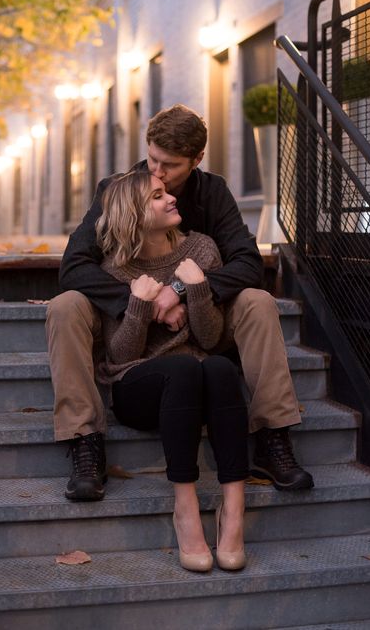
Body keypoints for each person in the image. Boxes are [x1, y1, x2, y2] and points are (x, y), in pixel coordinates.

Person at [46, 103, 314, 504]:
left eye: (169, 165)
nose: (156, 172)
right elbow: (74, 266)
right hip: (130, 317)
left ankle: (272, 437)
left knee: (258, 301)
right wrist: (143, 301)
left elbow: (247, 263)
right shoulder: (117, 189)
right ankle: (85, 441)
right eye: (152, 158)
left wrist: (182, 291)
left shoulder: (212, 193)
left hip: (203, 320)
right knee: (65, 305)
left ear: (196, 160)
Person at [92, 170, 248, 572]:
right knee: (181, 369)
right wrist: (140, 306)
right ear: (133, 215)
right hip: (137, 383)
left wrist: (196, 289)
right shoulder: (114, 269)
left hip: (195, 379)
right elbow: (121, 352)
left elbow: (211, 338)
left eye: (167, 192)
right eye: (157, 197)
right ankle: (186, 507)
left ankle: (233, 507)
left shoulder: (201, 249)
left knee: (219, 368)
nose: (171, 199)